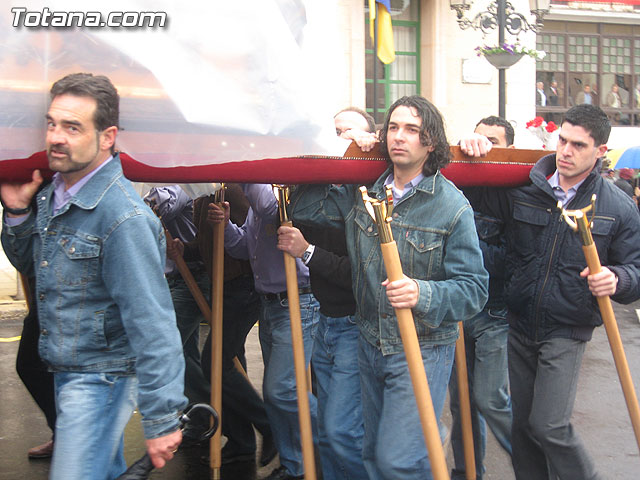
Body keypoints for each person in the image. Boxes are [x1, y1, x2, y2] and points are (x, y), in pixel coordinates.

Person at [289, 95, 489, 479]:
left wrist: (422, 293)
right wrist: (345, 150)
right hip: (369, 340)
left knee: (398, 460)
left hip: (423, 345)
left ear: (431, 142)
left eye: (412, 130)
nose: (400, 137)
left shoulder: (452, 206)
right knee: (373, 457)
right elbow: (305, 209)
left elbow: (474, 290)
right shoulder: (366, 193)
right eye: (393, 127)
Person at [0, 73, 187, 479]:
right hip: (66, 373)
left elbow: (153, 324)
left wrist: (161, 418)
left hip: (100, 380)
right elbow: (33, 265)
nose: (56, 137)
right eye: (52, 124)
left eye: (72, 127)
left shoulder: (122, 218)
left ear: (107, 137)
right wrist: (16, 212)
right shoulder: (53, 194)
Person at [462, 104, 640, 480]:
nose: (565, 151)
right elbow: (471, 200)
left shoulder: (618, 208)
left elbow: (635, 270)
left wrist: (617, 279)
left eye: (578, 144)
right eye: (562, 140)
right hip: (520, 322)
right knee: (524, 427)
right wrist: (472, 153)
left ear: (600, 151)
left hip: (567, 327)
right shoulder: (523, 188)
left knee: (549, 424)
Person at [276, 107, 376, 479]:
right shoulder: (314, 183)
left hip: (356, 322)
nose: (339, 138)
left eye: (349, 132)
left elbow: (361, 272)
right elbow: (286, 217)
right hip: (324, 319)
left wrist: (307, 251)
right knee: (329, 433)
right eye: (334, 131)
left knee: (342, 431)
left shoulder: (370, 191)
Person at [208, 184, 320, 480]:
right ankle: (294, 464)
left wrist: (245, 165)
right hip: (269, 305)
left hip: (296, 300)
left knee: (281, 388)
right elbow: (243, 247)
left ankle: (332, 432)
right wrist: (226, 223)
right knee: (276, 394)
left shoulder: (275, 195)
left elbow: (269, 209)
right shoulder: (259, 199)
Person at [187, 185, 276, 466]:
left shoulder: (231, 190)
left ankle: (266, 423)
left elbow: (251, 240)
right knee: (228, 361)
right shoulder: (207, 191)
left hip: (242, 287)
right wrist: (183, 249)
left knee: (215, 362)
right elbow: (207, 244)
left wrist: (225, 224)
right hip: (225, 286)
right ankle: (241, 440)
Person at [451, 116, 515, 479]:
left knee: (490, 398)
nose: (484, 145)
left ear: (508, 147)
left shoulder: (518, 191)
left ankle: (535, 464)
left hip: (495, 312)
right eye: (478, 138)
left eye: (493, 140)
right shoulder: (459, 181)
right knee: (461, 400)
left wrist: (465, 247)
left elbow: (514, 257)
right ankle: (467, 470)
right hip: (458, 311)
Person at [144, 185, 212, 436]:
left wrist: (144, 188)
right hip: (175, 276)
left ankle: (219, 407)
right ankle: (202, 414)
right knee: (184, 353)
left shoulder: (178, 184)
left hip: (195, 274)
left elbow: (165, 207)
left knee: (166, 343)